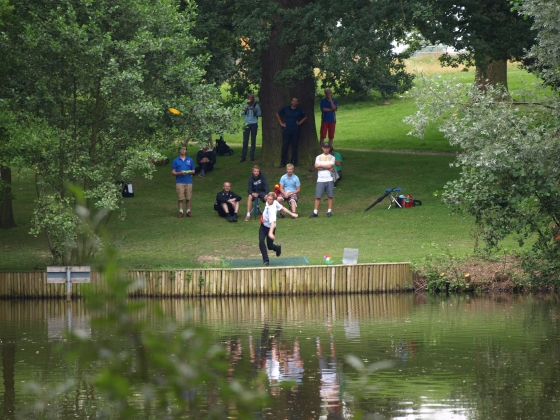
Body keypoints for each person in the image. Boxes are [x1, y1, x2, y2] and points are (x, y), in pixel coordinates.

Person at [259, 192, 298, 266]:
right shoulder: (274, 202)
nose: (268, 200)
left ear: (273, 200)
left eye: (270, 199)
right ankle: (266, 260)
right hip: (263, 226)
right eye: (268, 199)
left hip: (271, 227)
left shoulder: (272, 210)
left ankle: (277, 248)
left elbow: (273, 223)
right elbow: (282, 207)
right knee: (261, 241)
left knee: (270, 246)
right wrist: (292, 213)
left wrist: (270, 233)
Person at [276, 97, 307, 167]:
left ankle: (294, 161)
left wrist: (299, 123)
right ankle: (283, 162)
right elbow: (277, 114)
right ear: (291, 101)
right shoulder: (286, 108)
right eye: (293, 101)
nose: (294, 102)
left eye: (296, 101)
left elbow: (305, 117)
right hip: (286, 129)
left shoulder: (299, 110)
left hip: (295, 130)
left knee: (294, 146)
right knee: (285, 146)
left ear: (297, 103)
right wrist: (281, 123)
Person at [310, 142, 335, 218]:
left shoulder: (332, 157)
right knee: (318, 196)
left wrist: (321, 165)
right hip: (320, 179)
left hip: (329, 179)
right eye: (325, 148)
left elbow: (330, 165)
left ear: (329, 148)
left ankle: (329, 211)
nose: (326, 149)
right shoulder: (318, 157)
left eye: (327, 148)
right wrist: (326, 167)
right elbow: (316, 167)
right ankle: (315, 212)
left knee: (330, 196)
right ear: (322, 148)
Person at [171, 145, 195, 218]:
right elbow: (173, 172)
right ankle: (181, 212)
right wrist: (180, 173)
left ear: (186, 151)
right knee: (180, 198)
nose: (183, 150)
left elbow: (193, 171)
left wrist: (188, 172)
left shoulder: (190, 160)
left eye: (184, 149)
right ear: (179, 150)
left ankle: (188, 211)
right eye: (182, 149)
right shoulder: (175, 160)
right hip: (180, 181)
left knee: (188, 197)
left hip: (188, 181)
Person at [240, 93, 261, 162]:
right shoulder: (244, 105)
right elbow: (240, 114)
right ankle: (243, 156)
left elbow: (260, 114)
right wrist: (244, 111)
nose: (250, 99)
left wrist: (256, 111)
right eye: (249, 97)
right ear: (247, 98)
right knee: (245, 140)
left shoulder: (256, 105)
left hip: (254, 123)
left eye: (252, 98)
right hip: (246, 124)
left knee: (253, 140)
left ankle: (252, 156)